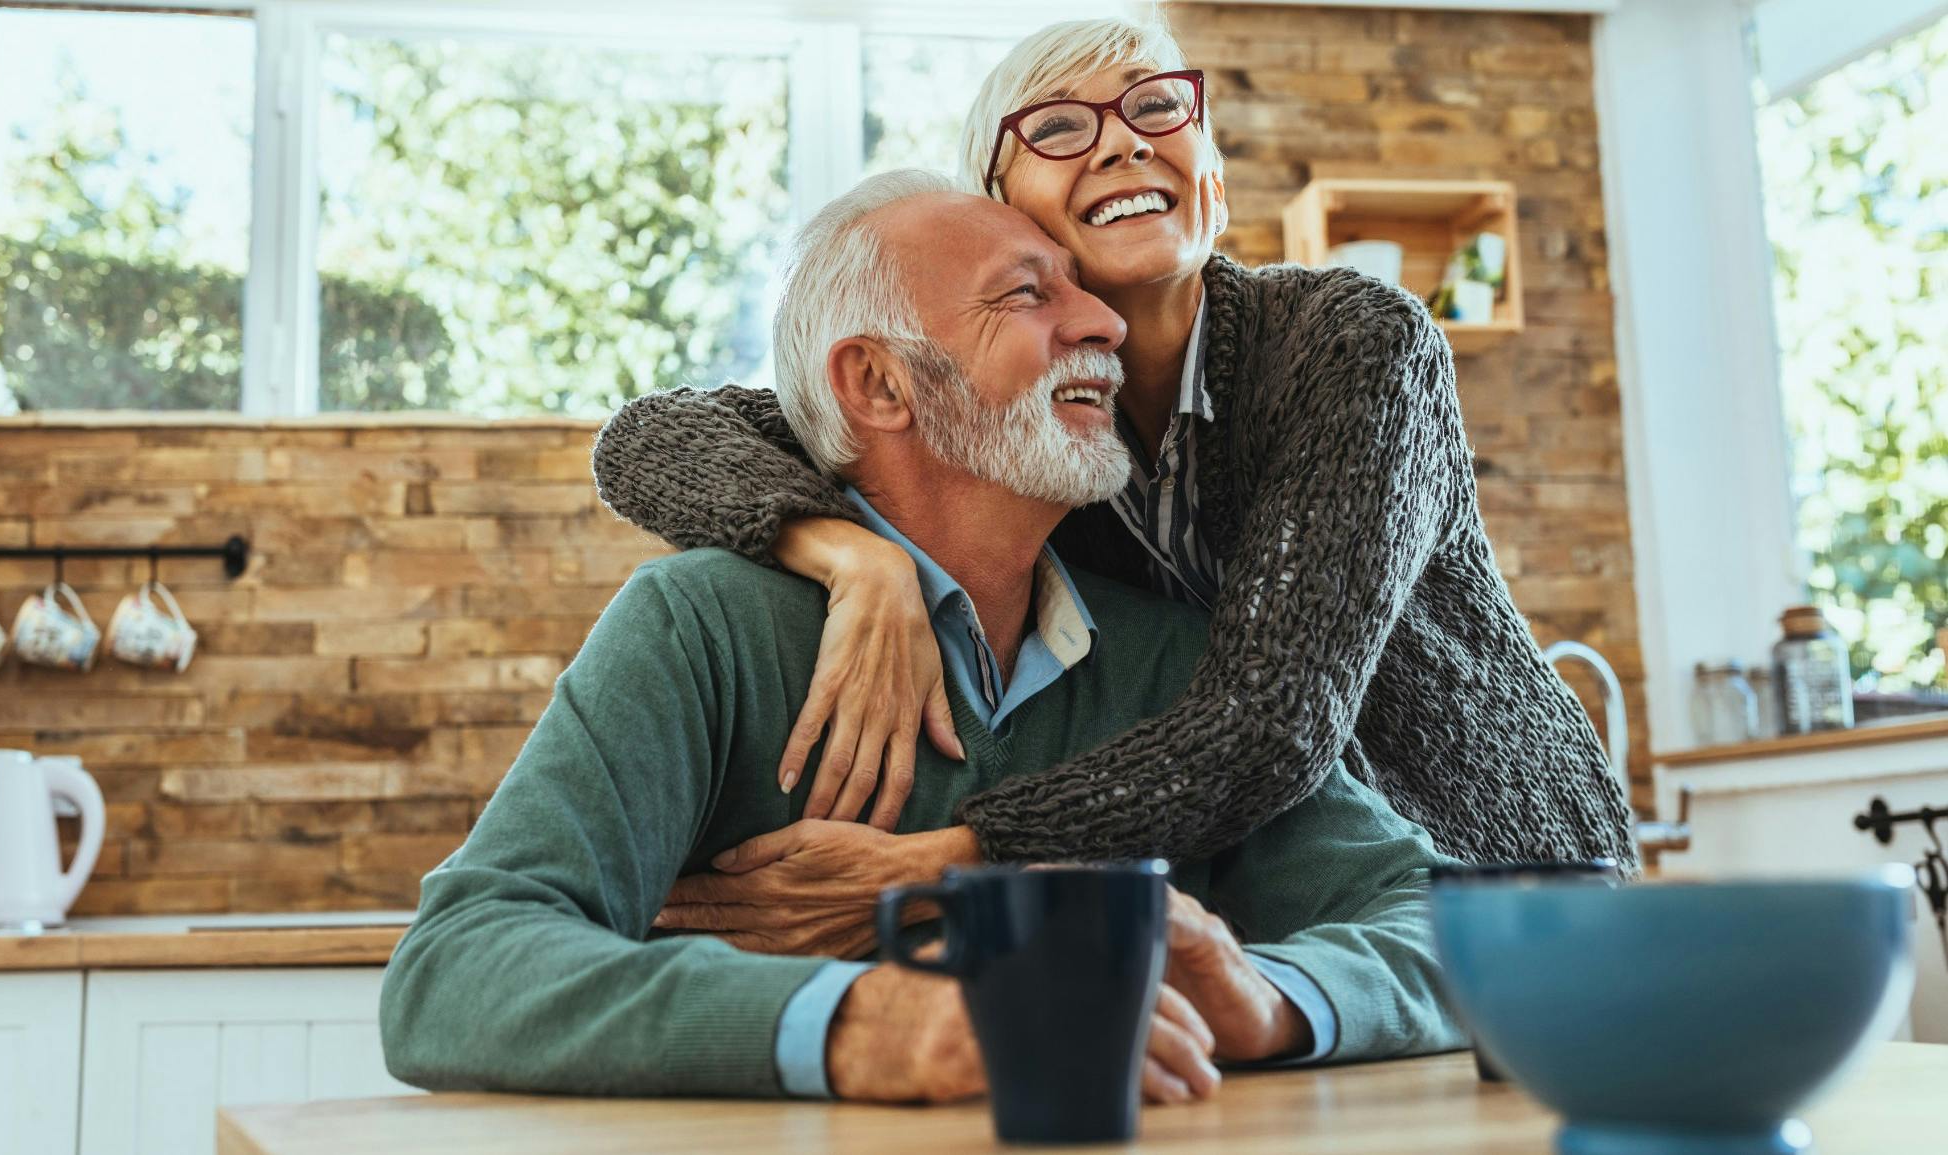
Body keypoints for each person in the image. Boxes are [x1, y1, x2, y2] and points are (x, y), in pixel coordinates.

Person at [380, 171, 1463, 1103]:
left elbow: (1442, 928)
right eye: (1028, 295)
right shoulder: (701, 627)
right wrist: (867, 1023)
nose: (1103, 324)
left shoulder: (1174, 662)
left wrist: (1267, 999)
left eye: (1082, 291)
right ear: (878, 383)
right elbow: (458, 969)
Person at [591, 15, 1635, 957]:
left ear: (1211, 179)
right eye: (1056, 127)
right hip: (1281, 917)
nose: (1125, 140)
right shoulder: (1016, 424)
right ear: (1003, 217)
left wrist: (945, 860)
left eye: (1153, 107)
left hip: (1498, 876)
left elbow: (1270, 724)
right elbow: (652, 436)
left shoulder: (1351, 344)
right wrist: (848, 554)